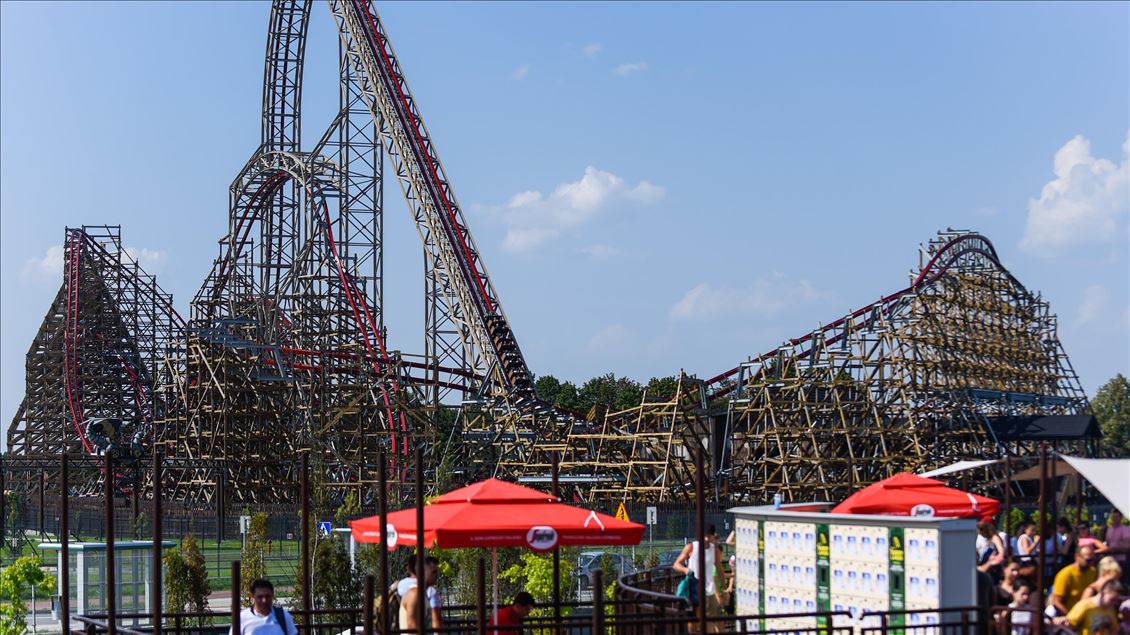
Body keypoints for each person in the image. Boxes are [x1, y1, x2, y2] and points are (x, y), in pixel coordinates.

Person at [673, 523, 728, 633]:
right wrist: (686, 570)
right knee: (693, 622)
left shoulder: (715, 550)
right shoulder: (691, 547)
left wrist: (724, 590)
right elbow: (676, 564)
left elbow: (720, 570)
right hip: (694, 591)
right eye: (705, 535)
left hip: (709, 591)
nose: (707, 538)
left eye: (709, 536)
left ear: (713, 536)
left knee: (713, 620)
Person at [230, 579, 297, 635]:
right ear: (252, 597)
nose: (264, 600)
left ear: (272, 595)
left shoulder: (284, 616)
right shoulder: (242, 618)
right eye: (260, 597)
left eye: (267, 596)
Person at [398, 555, 443, 633]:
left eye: (437, 571)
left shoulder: (421, 592)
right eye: (433, 572)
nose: (436, 575)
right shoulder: (414, 594)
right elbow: (412, 627)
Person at [1052, 544, 1098, 617]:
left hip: (1088, 613)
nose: (1091, 563)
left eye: (1092, 560)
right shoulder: (1065, 574)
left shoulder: (1093, 572)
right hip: (1070, 615)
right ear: (1077, 557)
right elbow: (1056, 602)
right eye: (1088, 560)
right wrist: (1071, 617)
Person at [1103, 510, 1130, 584]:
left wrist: (1113, 548)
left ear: (1121, 517)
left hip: (1122, 560)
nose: (1114, 518)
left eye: (1116, 517)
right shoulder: (1109, 529)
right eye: (1112, 516)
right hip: (1111, 560)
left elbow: (1127, 546)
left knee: (1123, 583)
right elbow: (1107, 544)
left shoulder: (1125, 529)